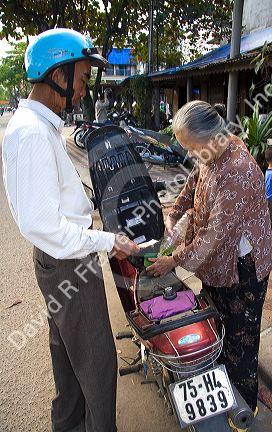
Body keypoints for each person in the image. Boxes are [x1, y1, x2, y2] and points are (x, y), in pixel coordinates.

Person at [2, 28, 139, 432]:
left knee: (69, 365)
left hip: (60, 263)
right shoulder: (31, 133)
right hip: (69, 267)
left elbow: (52, 204)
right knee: (97, 370)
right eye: (80, 80)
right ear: (58, 76)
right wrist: (108, 240)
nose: (83, 90)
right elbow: (46, 226)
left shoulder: (38, 126)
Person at [147, 101, 272, 429]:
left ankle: (243, 411)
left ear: (210, 135)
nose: (191, 154)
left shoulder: (236, 169)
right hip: (221, 261)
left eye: (191, 146)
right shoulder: (214, 147)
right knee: (218, 320)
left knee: (241, 339)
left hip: (244, 266)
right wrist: (173, 214)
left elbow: (209, 240)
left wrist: (172, 259)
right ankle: (221, 384)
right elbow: (192, 184)